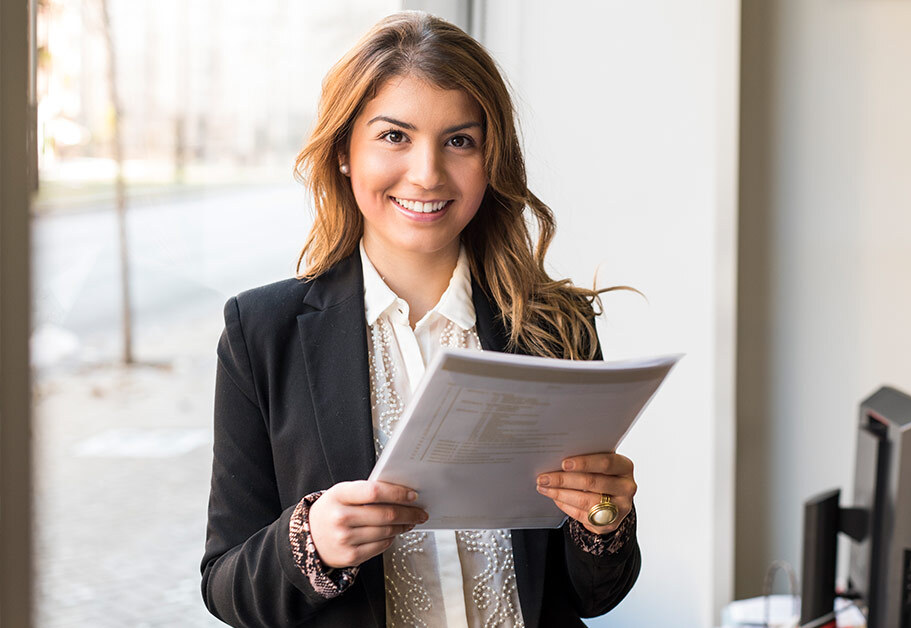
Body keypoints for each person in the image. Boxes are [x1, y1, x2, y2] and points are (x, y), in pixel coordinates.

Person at [200, 12, 639, 628]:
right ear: (345, 151)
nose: (428, 173)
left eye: (459, 140)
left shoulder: (556, 328)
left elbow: (594, 595)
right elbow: (224, 585)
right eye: (394, 137)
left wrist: (604, 520)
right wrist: (312, 543)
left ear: (491, 159)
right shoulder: (261, 332)